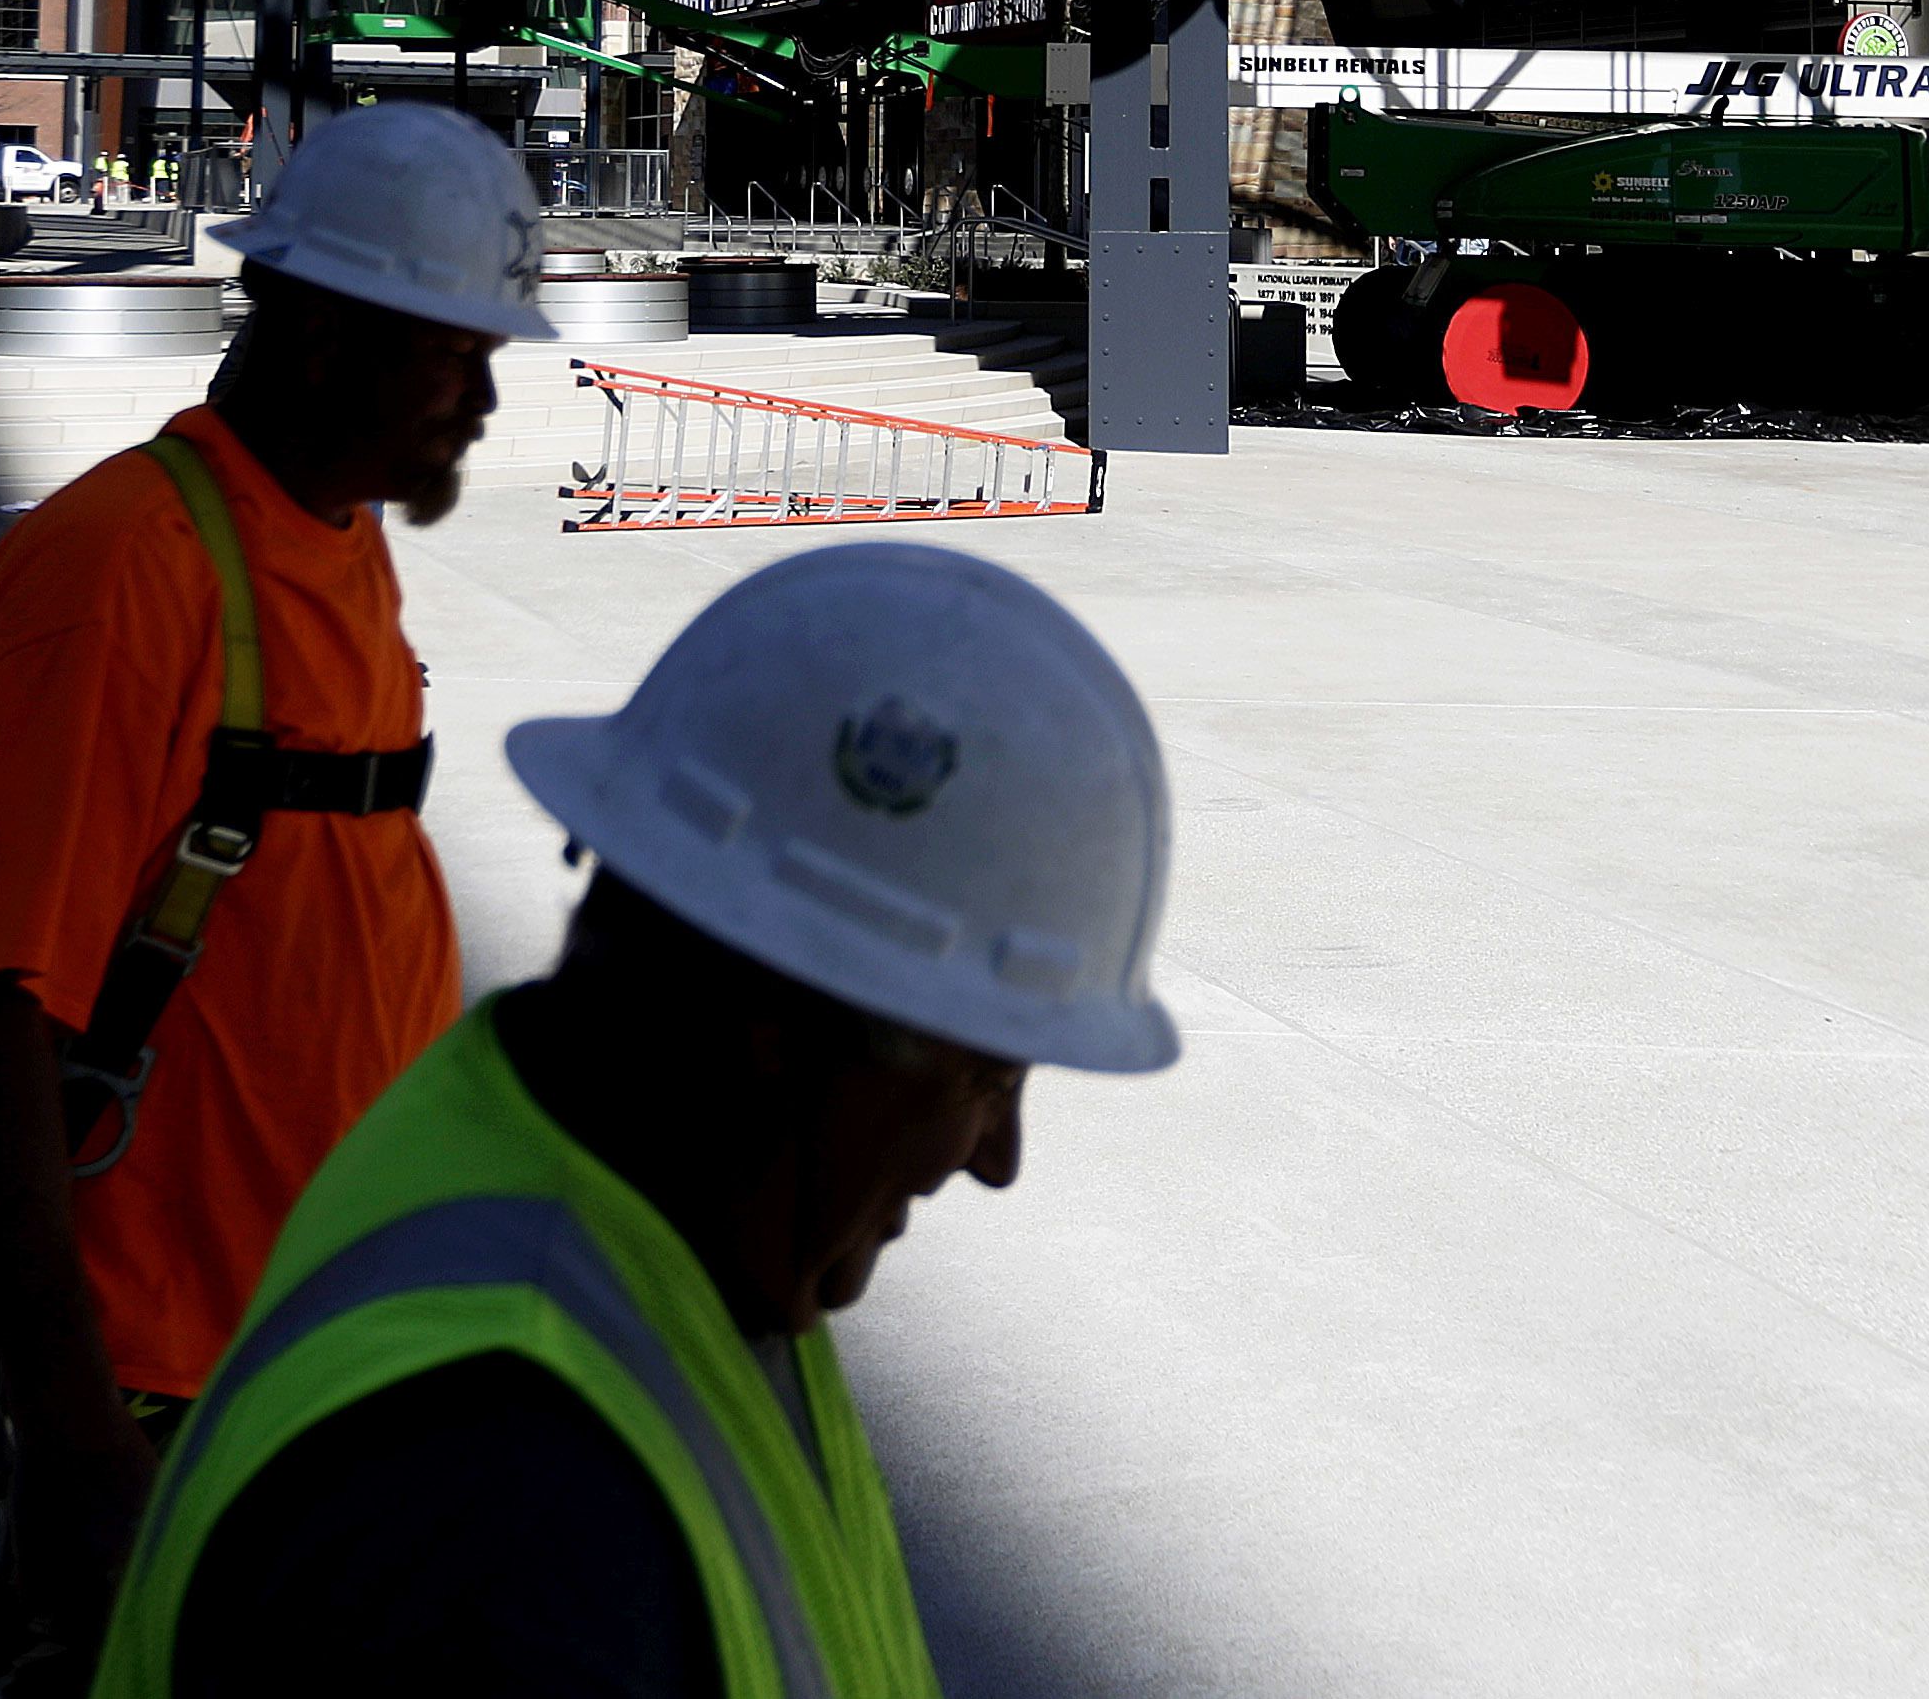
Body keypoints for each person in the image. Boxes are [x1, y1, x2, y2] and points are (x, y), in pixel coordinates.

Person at [88, 541, 1179, 1699]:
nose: (998, 1159)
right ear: (780, 1031)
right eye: (986, 1078)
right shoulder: (502, 1524)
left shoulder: (669, 1225)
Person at [0, 105, 550, 1696]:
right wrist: (73, 1443)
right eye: (452, 352)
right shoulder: (122, 568)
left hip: (316, 1360)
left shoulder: (331, 547)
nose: (479, 398)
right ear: (323, 336)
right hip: (148, 1391)